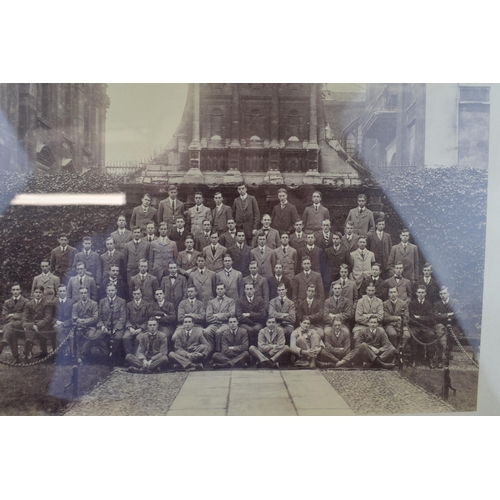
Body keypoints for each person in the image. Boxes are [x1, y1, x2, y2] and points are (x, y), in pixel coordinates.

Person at [408, 285, 441, 368]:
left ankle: (430, 358)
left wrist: (419, 317)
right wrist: (424, 318)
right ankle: (413, 359)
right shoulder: (412, 303)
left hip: (426, 327)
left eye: (422, 292)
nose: (421, 294)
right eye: (419, 292)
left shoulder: (429, 304)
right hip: (414, 327)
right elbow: (411, 318)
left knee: (431, 335)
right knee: (413, 335)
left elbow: (431, 318)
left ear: (425, 293)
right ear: (416, 293)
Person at [21, 285, 54, 361]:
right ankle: (29, 348)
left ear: (43, 294)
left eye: (40, 292)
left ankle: (27, 350)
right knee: (28, 326)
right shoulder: (29, 304)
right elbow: (24, 316)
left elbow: (48, 318)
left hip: (44, 326)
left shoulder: (48, 303)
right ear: (33, 293)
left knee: (31, 326)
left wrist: (37, 325)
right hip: (32, 326)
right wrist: (24, 325)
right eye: (36, 292)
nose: (38, 294)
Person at [97, 283, 127, 362]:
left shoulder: (122, 301)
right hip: (105, 326)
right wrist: (103, 327)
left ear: (116, 291)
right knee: (97, 336)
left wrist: (115, 329)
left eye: (112, 290)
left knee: (118, 337)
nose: (111, 292)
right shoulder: (102, 301)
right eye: (109, 290)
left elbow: (123, 317)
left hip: (116, 326)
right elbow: (99, 316)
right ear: (106, 291)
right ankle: (106, 354)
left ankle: (113, 356)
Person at [0, 283, 28, 364]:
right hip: (10, 324)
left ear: (20, 291)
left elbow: (26, 315)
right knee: (11, 331)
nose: (15, 291)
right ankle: (16, 357)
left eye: (17, 290)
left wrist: (12, 315)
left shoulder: (25, 301)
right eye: (14, 290)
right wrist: (16, 316)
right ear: (11, 291)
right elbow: (4, 316)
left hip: (21, 324)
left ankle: (3, 343)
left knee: (10, 326)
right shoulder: (7, 302)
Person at [204, 283, 236, 352]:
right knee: (206, 331)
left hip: (226, 324)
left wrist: (217, 315)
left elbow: (232, 314)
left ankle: (219, 351)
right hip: (213, 324)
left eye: (221, 289)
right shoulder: (211, 302)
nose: (220, 291)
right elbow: (208, 317)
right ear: (216, 290)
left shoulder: (231, 301)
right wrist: (223, 317)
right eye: (218, 289)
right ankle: (210, 350)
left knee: (219, 332)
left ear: (225, 290)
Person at [433, 286, 462, 362]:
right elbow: (436, 316)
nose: (443, 295)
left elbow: (457, 315)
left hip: (453, 325)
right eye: (441, 294)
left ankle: (447, 353)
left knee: (452, 336)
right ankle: (440, 357)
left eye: (444, 293)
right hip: (440, 325)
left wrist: (442, 315)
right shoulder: (437, 304)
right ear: (439, 295)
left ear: (448, 294)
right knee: (440, 335)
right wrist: (449, 314)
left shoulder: (455, 302)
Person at [72, 286, 100, 362]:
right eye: (81, 293)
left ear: (88, 294)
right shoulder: (76, 305)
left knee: (91, 336)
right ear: (79, 294)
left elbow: (95, 318)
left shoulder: (94, 304)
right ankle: (79, 357)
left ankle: (81, 355)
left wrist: (83, 321)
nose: (83, 295)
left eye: (85, 293)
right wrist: (79, 322)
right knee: (72, 336)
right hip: (79, 327)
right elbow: (74, 317)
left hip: (90, 327)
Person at [124, 287, 152, 356]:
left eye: (138, 294)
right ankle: (130, 357)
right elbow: (126, 318)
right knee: (125, 337)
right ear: (132, 295)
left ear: (141, 294)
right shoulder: (129, 305)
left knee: (139, 338)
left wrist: (141, 329)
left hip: (142, 329)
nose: (136, 295)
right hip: (131, 328)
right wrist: (130, 328)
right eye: (135, 294)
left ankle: (137, 357)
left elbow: (148, 319)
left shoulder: (146, 304)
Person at [382, 286, 410, 351]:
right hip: (389, 325)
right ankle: (393, 351)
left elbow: (406, 317)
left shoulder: (403, 303)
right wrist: (397, 318)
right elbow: (385, 317)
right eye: (391, 292)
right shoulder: (385, 304)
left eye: (394, 292)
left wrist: (400, 323)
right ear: (388, 294)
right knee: (393, 334)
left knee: (407, 335)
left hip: (402, 325)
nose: (393, 294)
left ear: (397, 293)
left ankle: (399, 351)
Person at [53, 284, 74, 360]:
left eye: (63, 291)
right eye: (60, 291)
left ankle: (63, 352)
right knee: (59, 330)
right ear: (57, 292)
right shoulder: (53, 302)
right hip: (56, 325)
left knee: (61, 331)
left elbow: (73, 317)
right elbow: (51, 317)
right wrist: (56, 321)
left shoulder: (71, 302)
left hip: (68, 325)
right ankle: (65, 350)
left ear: (66, 292)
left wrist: (64, 323)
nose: (62, 293)